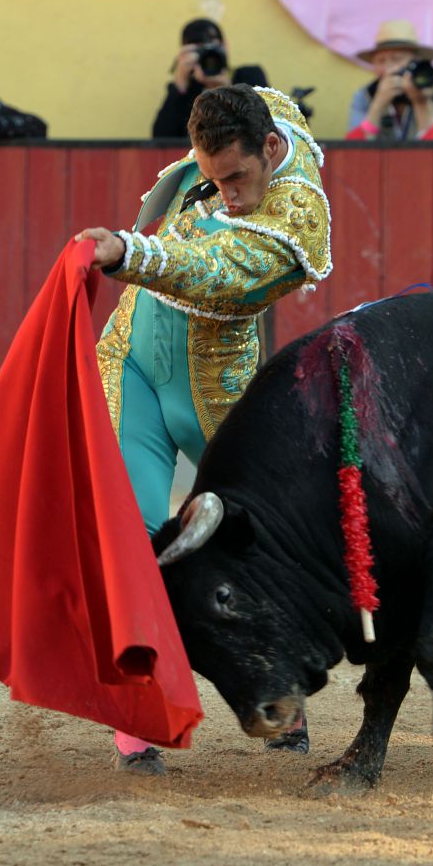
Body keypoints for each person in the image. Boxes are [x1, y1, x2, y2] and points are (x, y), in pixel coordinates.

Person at [76, 84, 331, 773]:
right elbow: (274, 99)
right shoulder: (265, 122)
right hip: (130, 356)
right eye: (213, 179)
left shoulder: (297, 221)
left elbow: (209, 271)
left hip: (211, 390)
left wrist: (129, 249)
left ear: (272, 150)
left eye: (238, 179)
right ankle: (136, 718)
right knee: (127, 540)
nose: (228, 196)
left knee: (257, 546)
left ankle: (281, 692)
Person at [152, 18, 269, 139]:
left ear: (225, 46)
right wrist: (180, 83)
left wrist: (229, 89)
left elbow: (267, 123)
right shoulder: (187, 91)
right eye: (199, 49)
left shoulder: (250, 76)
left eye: (212, 46)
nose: (208, 55)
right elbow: (161, 139)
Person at [346, 20, 433, 141]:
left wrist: (421, 102)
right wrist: (378, 105)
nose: (389, 69)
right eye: (380, 61)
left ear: (416, 61)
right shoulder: (364, 95)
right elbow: (353, 151)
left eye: (397, 59)